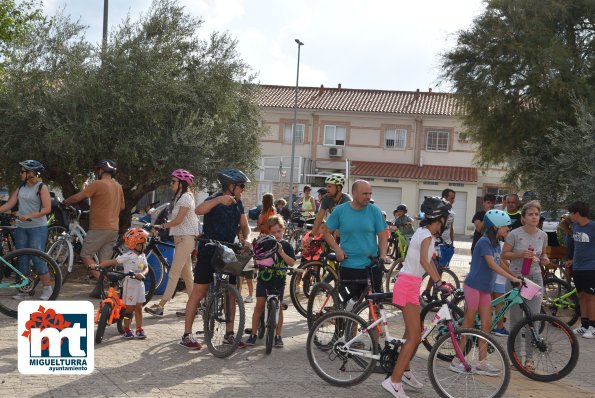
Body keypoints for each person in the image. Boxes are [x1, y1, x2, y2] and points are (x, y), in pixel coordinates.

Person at [383, 196, 451, 398]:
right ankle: (393, 381)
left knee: (415, 331)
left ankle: (404, 371)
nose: (445, 223)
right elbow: (423, 260)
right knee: (414, 336)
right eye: (445, 219)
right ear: (439, 219)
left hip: (409, 284)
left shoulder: (423, 232)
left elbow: (423, 260)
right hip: (408, 286)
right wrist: (439, 282)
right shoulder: (427, 236)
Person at [179, 168, 251, 349]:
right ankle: (187, 335)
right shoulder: (215, 199)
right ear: (230, 186)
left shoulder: (238, 203)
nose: (243, 189)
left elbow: (245, 226)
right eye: (241, 186)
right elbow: (198, 210)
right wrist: (219, 200)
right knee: (199, 291)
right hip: (209, 249)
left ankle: (229, 333)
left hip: (228, 250)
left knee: (231, 293)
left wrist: (248, 238)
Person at [450, 210, 521, 374]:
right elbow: (492, 265)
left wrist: (514, 275)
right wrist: (511, 278)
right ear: (495, 226)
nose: (508, 231)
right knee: (468, 324)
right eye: (506, 228)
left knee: (487, 325)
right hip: (474, 286)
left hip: (485, 289)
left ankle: (482, 363)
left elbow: (501, 262)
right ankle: (456, 360)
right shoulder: (484, 242)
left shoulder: (495, 243)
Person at [64, 159, 125, 298]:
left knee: (86, 255)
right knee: (103, 262)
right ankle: (100, 291)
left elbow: (80, 196)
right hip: (113, 228)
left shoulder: (98, 184)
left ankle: (106, 282)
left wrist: (65, 202)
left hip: (99, 228)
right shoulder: (118, 186)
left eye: (98, 170)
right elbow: (122, 207)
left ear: (102, 170)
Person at [502, 200, 550, 372]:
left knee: (533, 319)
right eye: (530, 214)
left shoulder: (542, 235)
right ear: (523, 218)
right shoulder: (514, 234)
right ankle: (515, 358)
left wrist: (545, 259)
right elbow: (504, 254)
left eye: (536, 214)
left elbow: (544, 256)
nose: (534, 217)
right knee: (515, 320)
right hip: (516, 279)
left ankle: (529, 359)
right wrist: (520, 253)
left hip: (534, 279)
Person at [323, 180, 387, 306]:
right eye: (365, 194)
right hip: (349, 266)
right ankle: (345, 324)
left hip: (372, 266)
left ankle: (372, 326)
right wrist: (337, 249)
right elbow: (326, 232)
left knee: (376, 306)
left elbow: (383, 236)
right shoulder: (341, 211)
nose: (368, 197)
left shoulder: (375, 211)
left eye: (370, 193)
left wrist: (383, 256)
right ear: (354, 193)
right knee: (348, 308)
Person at [145, 169, 198, 317]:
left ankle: (160, 306)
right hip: (181, 239)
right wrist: (161, 226)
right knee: (187, 275)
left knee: (174, 273)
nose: (171, 184)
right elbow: (175, 222)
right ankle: (196, 306)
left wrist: (162, 226)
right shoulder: (181, 198)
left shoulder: (186, 197)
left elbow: (178, 221)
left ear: (181, 184)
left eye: (174, 181)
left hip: (185, 239)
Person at [0, 160, 53, 300]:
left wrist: (29, 215)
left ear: (31, 173)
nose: (20, 174)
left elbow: (47, 209)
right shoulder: (21, 187)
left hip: (37, 227)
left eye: (22, 171)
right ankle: (24, 289)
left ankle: (48, 288)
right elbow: (10, 204)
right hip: (21, 228)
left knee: (37, 257)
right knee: (22, 258)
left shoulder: (41, 187)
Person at [244, 216, 296, 347]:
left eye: (279, 231)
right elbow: (257, 259)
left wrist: (281, 252)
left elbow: (291, 262)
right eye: (273, 232)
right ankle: (253, 334)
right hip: (264, 279)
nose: (277, 235)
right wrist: (257, 246)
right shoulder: (266, 243)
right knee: (259, 305)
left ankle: (278, 336)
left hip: (279, 280)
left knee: (279, 308)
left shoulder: (286, 245)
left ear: (283, 230)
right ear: (269, 232)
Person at [93, 227, 149, 339]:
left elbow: (146, 267)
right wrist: (97, 266)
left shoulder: (142, 256)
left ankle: (139, 328)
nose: (144, 245)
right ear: (134, 244)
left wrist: (143, 273)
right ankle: (127, 329)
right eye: (142, 243)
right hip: (130, 284)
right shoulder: (127, 256)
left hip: (140, 285)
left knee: (139, 307)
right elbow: (112, 262)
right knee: (129, 310)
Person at [565, 201, 595, 338]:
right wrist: (572, 260)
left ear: (576, 213)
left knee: (591, 297)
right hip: (578, 267)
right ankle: (584, 325)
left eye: (571, 213)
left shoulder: (593, 227)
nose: (569, 215)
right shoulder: (575, 226)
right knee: (581, 296)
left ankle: (593, 327)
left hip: (591, 268)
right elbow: (578, 247)